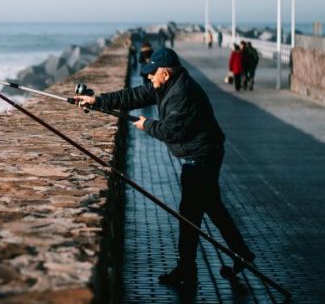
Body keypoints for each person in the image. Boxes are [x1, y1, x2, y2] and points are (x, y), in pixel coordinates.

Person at [75, 48, 255, 290]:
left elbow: (170, 130)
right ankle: (240, 254)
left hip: (201, 158)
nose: (149, 77)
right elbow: (133, 96)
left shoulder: (183, 94)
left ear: (166, 74)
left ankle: (188, 271)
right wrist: (98, 100)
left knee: (189, 215)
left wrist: (147, 124)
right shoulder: (167, 85)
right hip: (201, 154)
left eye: (152, 73)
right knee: (211, 206)